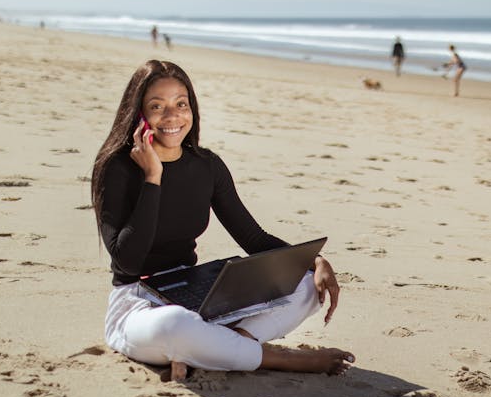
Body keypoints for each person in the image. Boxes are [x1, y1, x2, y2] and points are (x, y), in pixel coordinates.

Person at [91, 60, 354, 379]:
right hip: (137, 305)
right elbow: (128, 262)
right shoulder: (115, 168)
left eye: (181, 104)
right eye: (157, 106)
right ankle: (279, 358)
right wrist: (152, 178)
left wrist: (316, 260)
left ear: (192, 109)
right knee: (176, 325)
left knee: (307, 286)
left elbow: (254, 239)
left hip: (199, 295)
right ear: (139, 114)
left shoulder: (207, 166)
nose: (172, 116)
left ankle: (222, 347)